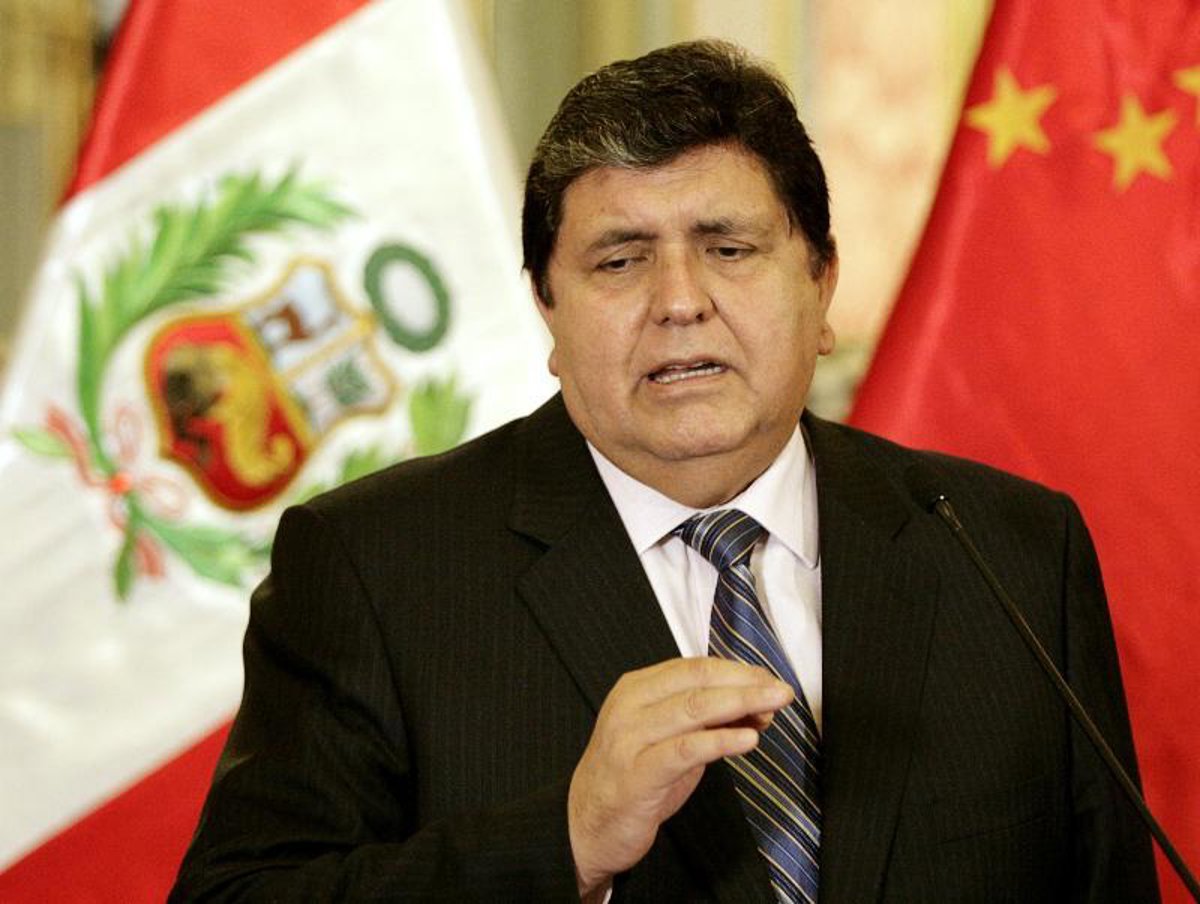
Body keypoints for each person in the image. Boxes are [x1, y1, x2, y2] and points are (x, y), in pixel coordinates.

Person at [170, 40, 1159, 902]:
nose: (680, 300)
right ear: (547, 307)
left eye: (729, 248)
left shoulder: (1009, 552)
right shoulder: (375, 567)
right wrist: (567, 842)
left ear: (821, 282)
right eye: (619, 260)